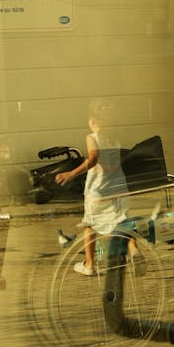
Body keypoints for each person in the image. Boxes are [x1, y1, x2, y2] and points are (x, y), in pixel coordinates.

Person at [55, 98, 129, 275]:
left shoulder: (92, 138)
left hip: (98, 191)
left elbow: (93, 158)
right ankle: (134, 251)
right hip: (117, 189)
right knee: (120, 224)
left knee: (90, 226)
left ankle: (89, 265)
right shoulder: (115, 137)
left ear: (93, 121)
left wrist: (71, 173)